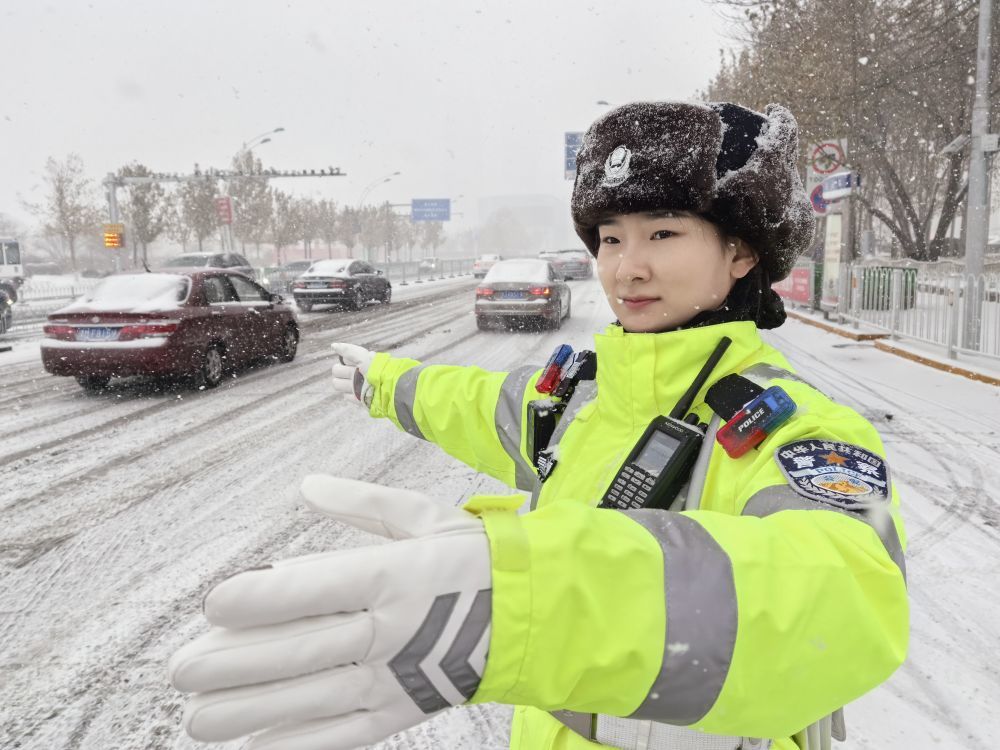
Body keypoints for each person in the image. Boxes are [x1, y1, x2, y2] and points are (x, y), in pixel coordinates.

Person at [169, 102, 907, 750]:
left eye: (663, 234)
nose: (628, 269)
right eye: (611, 238)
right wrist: (381, 381)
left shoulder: (796, 428)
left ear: (741, 251)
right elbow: (477, 403)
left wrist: (526, 602)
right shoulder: (585, 402)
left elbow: (848, 600)